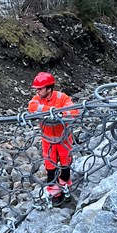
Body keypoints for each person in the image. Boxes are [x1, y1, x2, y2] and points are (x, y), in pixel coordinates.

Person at [27, 72, 80, 206]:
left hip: (63, 139)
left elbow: (73, 112)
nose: (37, 91)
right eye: (37, 89)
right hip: (48, 140)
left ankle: (64, 187)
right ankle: (54, 191)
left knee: (65, 164)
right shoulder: (37, 99)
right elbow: (32, 107)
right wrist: (53, 111)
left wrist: (57, 113)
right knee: (50, 166)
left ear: (49, 88)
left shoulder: (62, 97)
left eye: (40, 89)